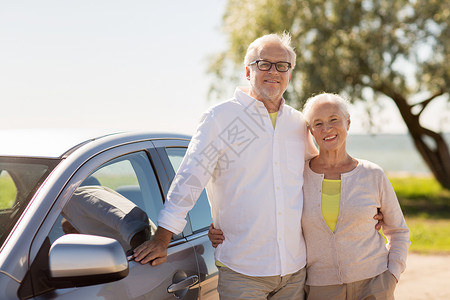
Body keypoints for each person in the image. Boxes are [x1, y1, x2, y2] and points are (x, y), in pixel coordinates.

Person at [133, 32, 318, 299]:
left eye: (282, 65)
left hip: (294, 270)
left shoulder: (298, 123)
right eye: (263, 63)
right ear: (247, 71)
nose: (273, 71)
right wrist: (162, 239)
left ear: (290, 73)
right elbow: (190, 179)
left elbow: (319, 173)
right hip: (242, 271)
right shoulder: (220, 118)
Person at [62, 185, 152, 252]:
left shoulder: (78, 199)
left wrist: (131, 261)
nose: (69, 236)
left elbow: (138, 230)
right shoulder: (65, 212)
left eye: (72, 230)